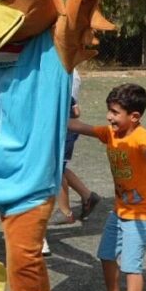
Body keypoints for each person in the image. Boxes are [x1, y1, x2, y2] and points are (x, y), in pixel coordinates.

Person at [69, 83, 146, 291]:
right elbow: (85, 128)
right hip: (120, 209)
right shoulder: (112, 134)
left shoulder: (139, 136)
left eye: (115, 112)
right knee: (105, 254)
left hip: (141, 212)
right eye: (109, 111)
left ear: (134, 117)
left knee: (131, 266)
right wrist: (55, 119)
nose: (109, 117)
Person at [50, 69, 101, 226]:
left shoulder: (64, 73)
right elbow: (76, 110)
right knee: (60, 168)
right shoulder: (68, 71)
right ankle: (87, 196)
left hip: (62, 130)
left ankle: (66, 212)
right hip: (64, 129)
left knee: (55, 170)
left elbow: (72, 110)